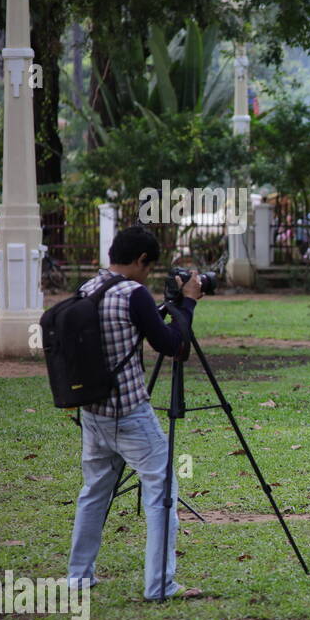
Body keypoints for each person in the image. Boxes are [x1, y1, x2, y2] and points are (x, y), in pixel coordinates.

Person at [66, 226, 203, 600]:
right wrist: (188, 302)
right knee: (161, 494)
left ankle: (78, 577)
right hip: (129, 413)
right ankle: (160, 585)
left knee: (94, 492)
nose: (148, 274)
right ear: (142, 260)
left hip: (92, 412)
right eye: (149, 266)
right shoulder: (134, 293)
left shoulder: (86, 289)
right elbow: (174, 345)